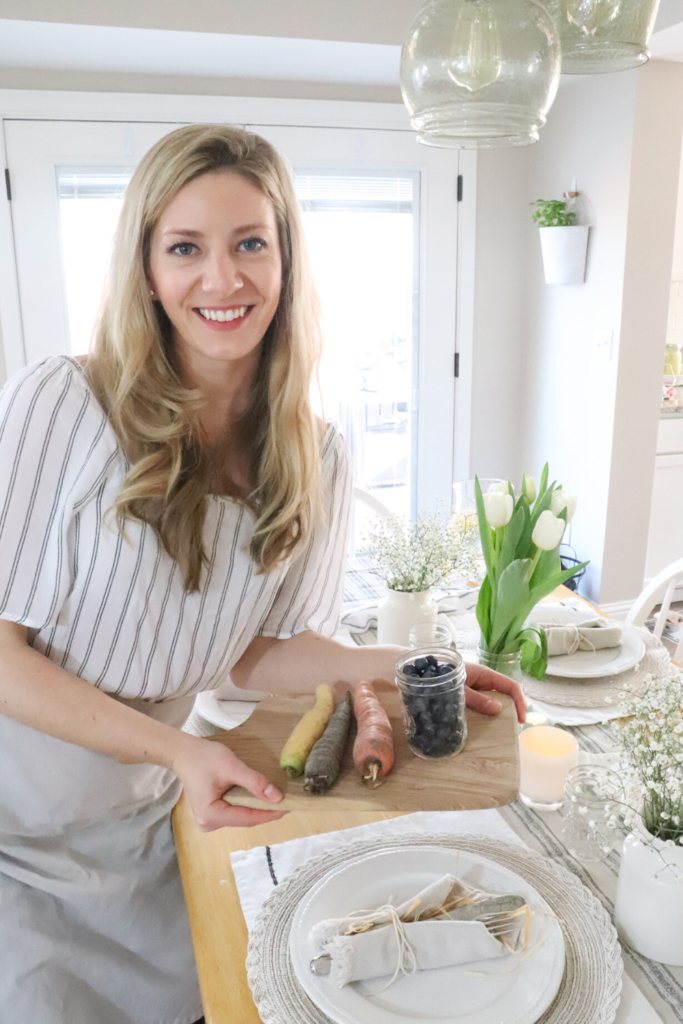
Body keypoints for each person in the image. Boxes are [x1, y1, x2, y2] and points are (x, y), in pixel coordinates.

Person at [0, 124, 526, 1024]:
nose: (222, 279)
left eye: (250, 243)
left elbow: (255, 654)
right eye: (185, 248)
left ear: (285, 260)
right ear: (146, 270)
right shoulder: (65, 402)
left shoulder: (313, 452)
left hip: (142, 815)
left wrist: (397, 665)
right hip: (16, 821)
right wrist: (176, 748)